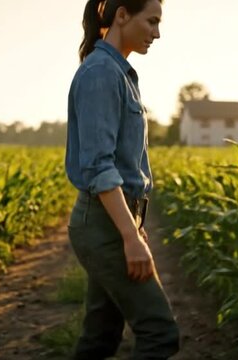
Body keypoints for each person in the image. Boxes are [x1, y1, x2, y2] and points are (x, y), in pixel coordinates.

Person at [64, 0, 179, 359]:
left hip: (113, 219)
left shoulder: (117, 72)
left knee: (101, 335)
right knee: (160, 333)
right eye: (152, 21)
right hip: (101, 224)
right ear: (122, 15)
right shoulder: (101, 73)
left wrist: (132, 225)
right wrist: (129, 236)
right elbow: (99, 167)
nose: (157, 33)